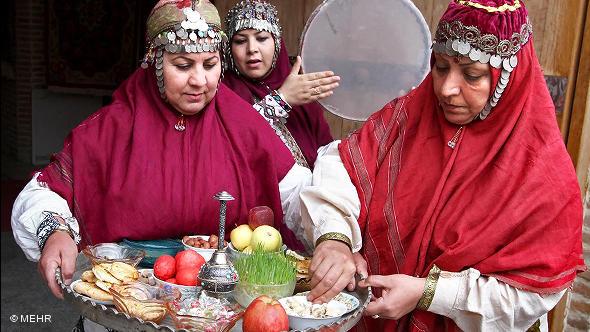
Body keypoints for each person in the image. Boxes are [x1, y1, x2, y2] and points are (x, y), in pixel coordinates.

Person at [11, 0, 311, 328]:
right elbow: (45, 191)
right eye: (183, 65)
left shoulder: (242, 124)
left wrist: (331, 237)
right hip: (128, 304)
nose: (200, 81)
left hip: (219, 313)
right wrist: (52, 232)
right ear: (154, 62)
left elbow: (297, 193)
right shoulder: (113, 127)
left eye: (210, 64)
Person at [301, 0, 586, 331]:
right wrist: (336, 239)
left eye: (471, 75)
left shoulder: (542, 175)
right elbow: (344, 165)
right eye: (441, 67)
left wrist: (429, 294)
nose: (447, 89)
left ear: (508, 79)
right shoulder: (409, 117)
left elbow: (528, 298)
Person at [222, 0, 339, 169]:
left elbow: (325, 152)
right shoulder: (223, 91)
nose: (252, 49)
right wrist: (281, 100)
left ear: (277, 43)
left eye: (262, 38)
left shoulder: (300, 89)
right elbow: (228, 144)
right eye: (240, 41)